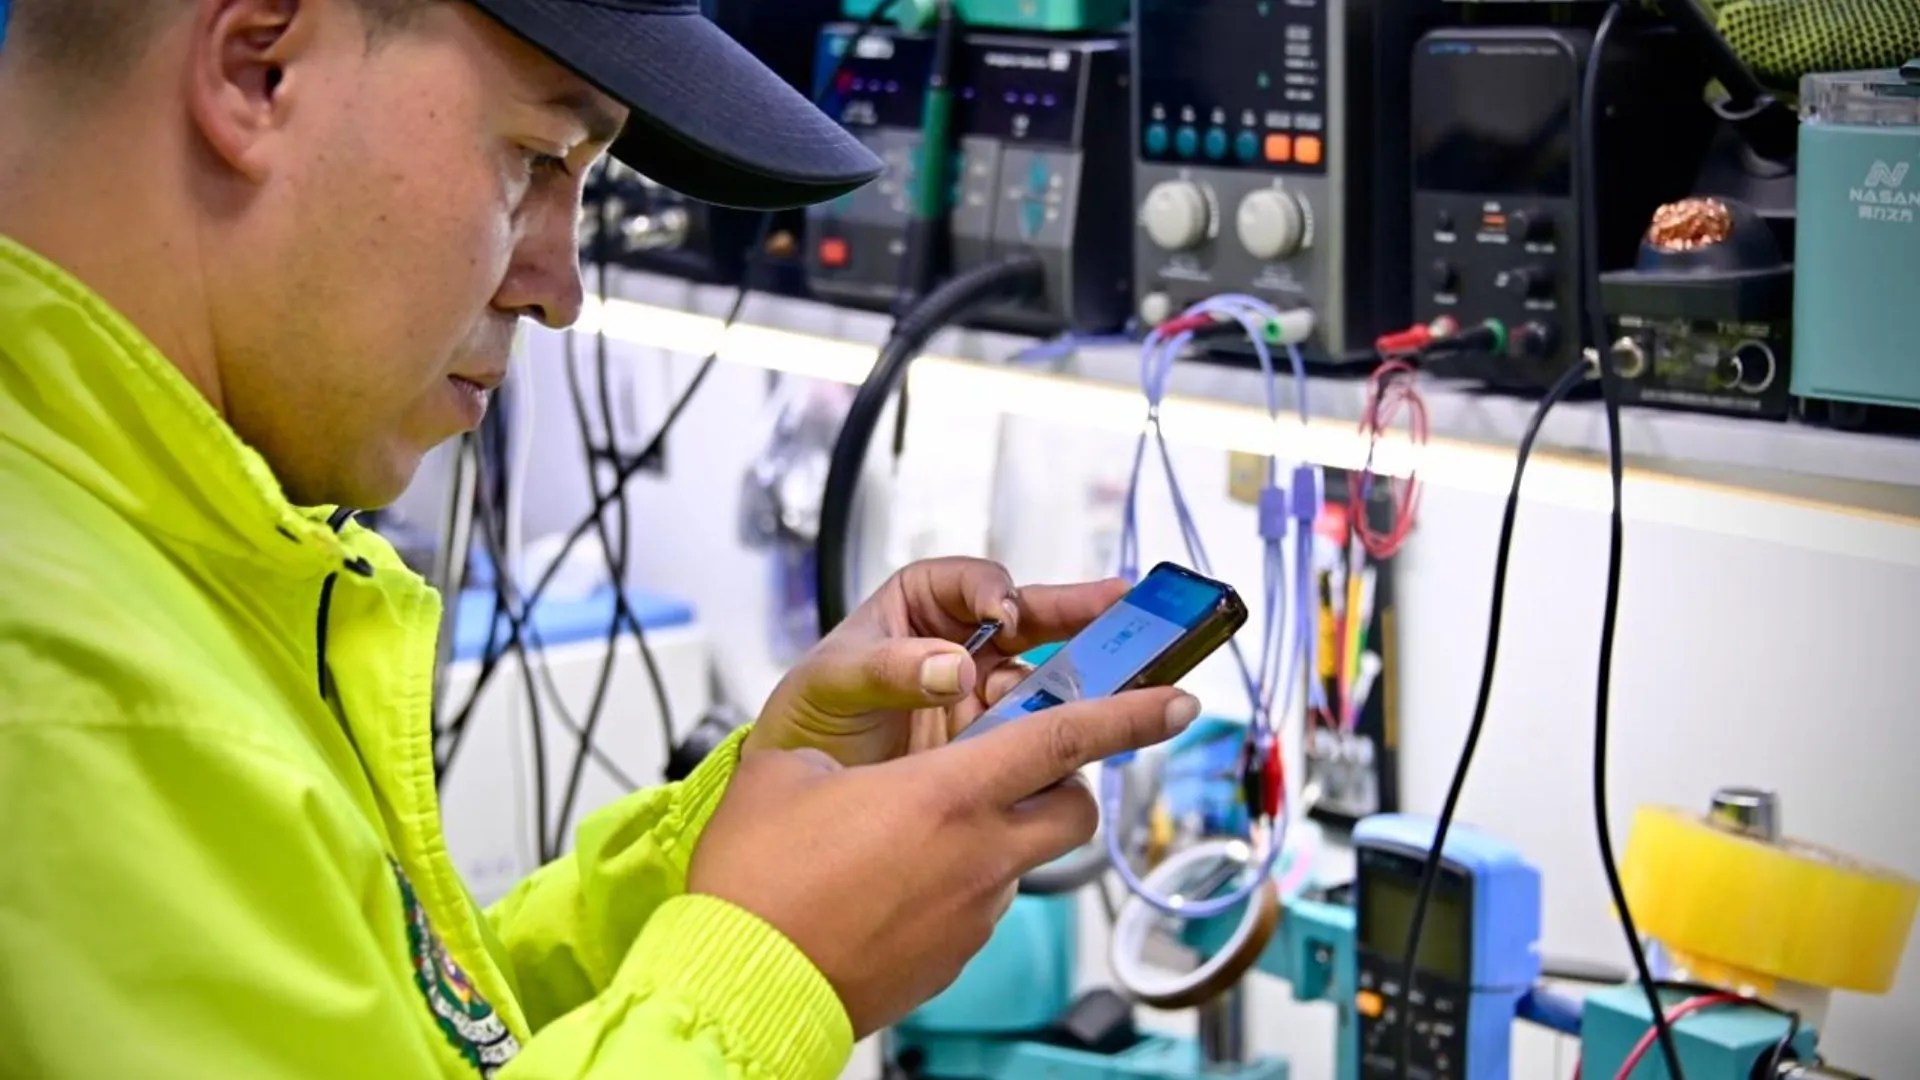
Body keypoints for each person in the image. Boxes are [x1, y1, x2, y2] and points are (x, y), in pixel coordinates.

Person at [0, 1, 1203, 1076]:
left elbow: (401, 1036)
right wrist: (768, 973)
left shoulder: (169, 565)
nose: (560, 286)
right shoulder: (66, 693)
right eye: (535, 159)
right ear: (259, 74)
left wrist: (739, 850)